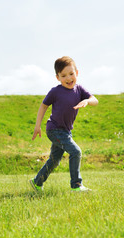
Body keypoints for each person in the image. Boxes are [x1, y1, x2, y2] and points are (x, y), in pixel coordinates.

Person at [29, 56, 98, 192]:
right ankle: (76, 186)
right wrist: (38, 126)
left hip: (66, 131)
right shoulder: (55, 91)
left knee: (54, 160)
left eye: (71, 74)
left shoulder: (79, 90)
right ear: (58, 78)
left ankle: (37, 182)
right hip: (54, 130)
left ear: (76, 73)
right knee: (76, 151)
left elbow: (95, 100)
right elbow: (43, 106)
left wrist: (87, 101)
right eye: (64, 75)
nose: (68, 78)